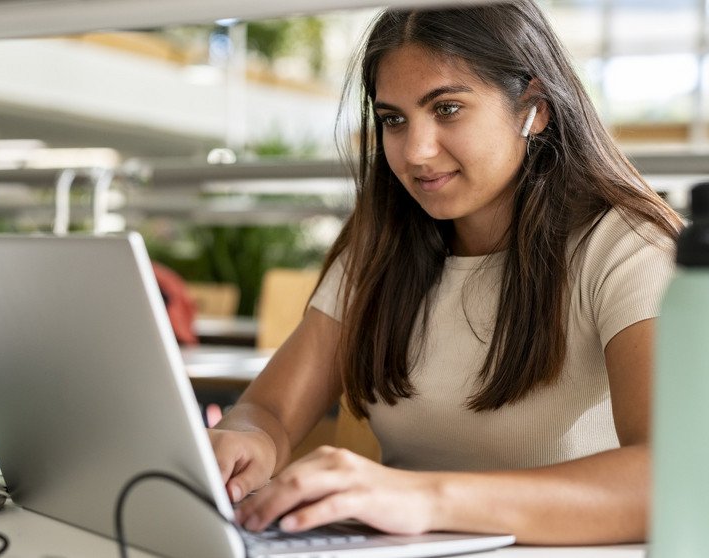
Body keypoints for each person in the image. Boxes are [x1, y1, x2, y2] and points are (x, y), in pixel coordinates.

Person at [210, 0, 682, 546]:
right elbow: (268, 409)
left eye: (448, 109)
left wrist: (422, 497)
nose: (416, 152)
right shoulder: (382, 246)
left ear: (534, 108)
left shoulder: (628, 246)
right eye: (393, 120)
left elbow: (676, 475)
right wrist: (249, 439)